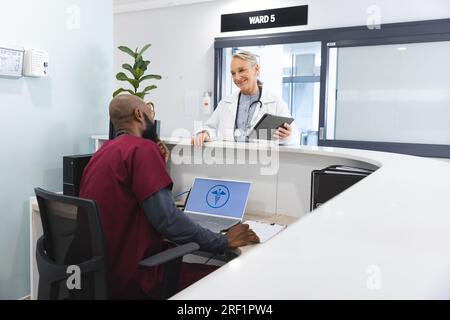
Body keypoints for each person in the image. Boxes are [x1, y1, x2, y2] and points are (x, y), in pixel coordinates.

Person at [79, 94, 259, 299]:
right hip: (136, 277)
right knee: (229, 278)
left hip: (103, 275)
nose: (153, 120)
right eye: (150, 113)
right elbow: (168, 220)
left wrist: (157, 159)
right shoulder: (141, 150)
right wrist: (222, 241)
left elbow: (134, 202)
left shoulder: (101, 153)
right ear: (139, 114)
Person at [192, 50, 300, 146]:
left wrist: (287, 136)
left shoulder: (275, 102)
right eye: (233, 73)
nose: (237, 77)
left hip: (262, 163)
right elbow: (211, 127)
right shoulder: (226, 103)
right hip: (230, 162)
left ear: (256, 69)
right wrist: (205, 133)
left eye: (241, 70)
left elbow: (295, 136)